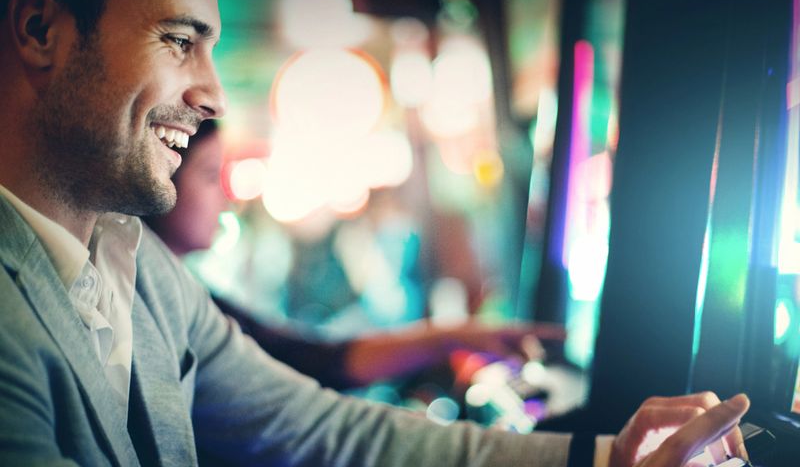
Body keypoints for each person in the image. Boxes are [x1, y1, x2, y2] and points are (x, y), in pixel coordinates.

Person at [0, 0, 750, 467]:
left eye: (211, 48)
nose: (215, 95)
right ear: (39, 29)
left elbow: (324, 433)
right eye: (178, 40)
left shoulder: (135, 266)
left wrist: (606, 462)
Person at [145, 119, 566, 390]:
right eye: (209, 176)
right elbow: (310, 365)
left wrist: (451, 336)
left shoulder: (181, 292)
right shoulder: (164, 303)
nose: (227, 199)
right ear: (161, 176)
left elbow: (311, 358)